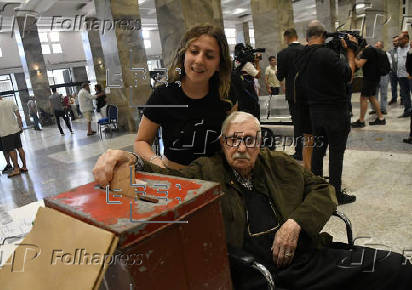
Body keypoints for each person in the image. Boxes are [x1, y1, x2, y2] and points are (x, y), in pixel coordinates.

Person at [93, 111, 412, 290]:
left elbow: (323, 190)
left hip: (307, 256)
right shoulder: (206, 170)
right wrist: (126, 157)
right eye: (233, 140)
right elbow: (163, 180)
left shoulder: (279, 164)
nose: (241, 148)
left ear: (260, 143)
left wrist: (296, 221)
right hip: (259, 272)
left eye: (249, 140)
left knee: (395, 267)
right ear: (223, 142)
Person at [135, 25, 233, 169]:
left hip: (217, 176)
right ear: (184, 55)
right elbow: (141, 141)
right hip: (177, 177)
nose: (199, 60)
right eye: (194, 51)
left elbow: (234, 138)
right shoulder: (162, 96)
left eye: (209, 56)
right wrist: (158, 163)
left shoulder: (226, 94)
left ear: (219, 64)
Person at [296, 21, 356, 204]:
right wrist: (351, 51)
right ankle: (335, 194)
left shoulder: (302, 55)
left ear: (308, 37)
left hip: (315, 112)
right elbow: (349, 75)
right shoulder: (327, 55)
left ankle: (317, 191)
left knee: (317, 152)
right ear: (323, 35)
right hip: (335, 112)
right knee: (336, 154)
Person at [0, 88, 27, 178]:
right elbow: (18, 115)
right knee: (19, 148)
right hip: (15, 130)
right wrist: (20, 126)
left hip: (5, 131)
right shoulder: (10, 101)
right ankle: (24, 166)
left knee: (11, 150)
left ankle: (16, 169)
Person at [277, 28, 305, 161]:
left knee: (298, 123)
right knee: (310, 121)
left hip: (293, 94)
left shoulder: (283, 53)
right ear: (297, 36)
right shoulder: (306, 50)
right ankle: (315, 149)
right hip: (309, 92)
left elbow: (280, 76)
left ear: (286, 38)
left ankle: (299, 152)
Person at [351, 42, 387, 128]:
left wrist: (352, 56)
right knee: (372, 97)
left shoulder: (367, 51)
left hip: (369, 79)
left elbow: (359, 64)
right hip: (375, 78)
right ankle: (381, 119)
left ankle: (361, 121)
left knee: (363, 97)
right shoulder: (374, 51)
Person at [233, 42, 261, 119]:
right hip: (249, 95)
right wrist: (257, 63)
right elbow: (258, 75)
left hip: (239, 96)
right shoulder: (247, 64)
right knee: (253, 113)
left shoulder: (234, 62)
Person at [396, 32, 412, 117]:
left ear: (406, 39)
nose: (398, 41)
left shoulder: (411, 47)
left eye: (400, 39)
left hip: (410, 75)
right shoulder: (399, 48)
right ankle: (407, 111)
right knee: (405, 94)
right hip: (401, 75)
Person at [371, 41, 389, 115]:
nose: (376, 48)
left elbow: (389, 65)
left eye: (377, 46)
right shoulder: (372, 55)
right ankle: (375, 109)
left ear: (382, 47)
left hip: (383, 76)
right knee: (374, 93)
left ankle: (383, 109)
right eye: (375, 46)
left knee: (383, 93)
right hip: (374, 76)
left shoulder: (386, 54)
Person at [388, 36, 400, 105]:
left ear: (399, 41)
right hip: (393, 72)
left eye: (395, 41)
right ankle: (394, 98)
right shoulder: (391, 51)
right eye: (393, 41)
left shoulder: (403, 50)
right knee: (393, 86)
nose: (394, 43)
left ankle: (402, 99)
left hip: (401, 72)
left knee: (402, 87)